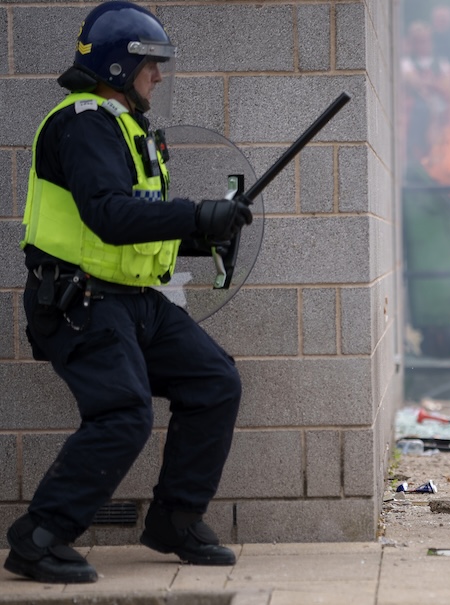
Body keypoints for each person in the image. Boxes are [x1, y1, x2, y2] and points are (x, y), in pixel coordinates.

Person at [6, 1, 249, 584]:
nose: (158, 77)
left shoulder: (125, 126)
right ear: (119, 66)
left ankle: (175, 522)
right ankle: (38, 538)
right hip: (78, 301)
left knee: (213, 381)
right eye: (150, 66)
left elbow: (135, 231)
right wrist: (195, 212)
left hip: (133, 298)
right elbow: (110, 217)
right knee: (123, 413)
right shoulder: (84, 122)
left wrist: (203, 232)